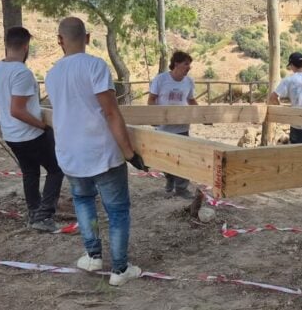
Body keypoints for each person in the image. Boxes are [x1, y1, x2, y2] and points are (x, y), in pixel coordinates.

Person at [45, 17, 148, 287]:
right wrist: (129, 152)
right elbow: (111, 112)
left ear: (60, 40)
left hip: (69, 153)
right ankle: (120, 269)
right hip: (102, 154)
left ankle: (93, 256)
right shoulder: (95, 66)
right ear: (88, 38)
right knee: (117, 211)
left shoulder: (52, 73)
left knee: (83, 202)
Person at [0, 26, 64, 232]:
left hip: (11, 134)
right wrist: (43, 126)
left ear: (7, 45)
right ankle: (43, 216)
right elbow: (17, 110)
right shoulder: (22, 73)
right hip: (28, 133)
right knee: (56, 169)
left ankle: (34, 212)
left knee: (30, 172)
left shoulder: (0, 66)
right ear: (26, 46)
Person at [147, 51, 198, 198]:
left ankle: (181, 189)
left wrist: (203, 114)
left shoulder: (189, 82)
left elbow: (191, 101)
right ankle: (169, 178)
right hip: (163, 128)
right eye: (186, 64)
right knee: (165, 159)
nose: (189, 67)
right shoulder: (161, 79)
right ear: (176, 63)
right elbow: (151, 100)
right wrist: (154, 117)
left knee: (183, 159)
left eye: (190, 64)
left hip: (182, 127)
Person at [267, 52, 302, 143]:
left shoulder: (289, 80)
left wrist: (281, 108)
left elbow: (273, 97)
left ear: (292, 65)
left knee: (296, 153)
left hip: (297, 124)